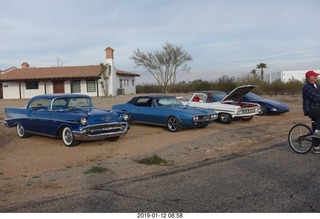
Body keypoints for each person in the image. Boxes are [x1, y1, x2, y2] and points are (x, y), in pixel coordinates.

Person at [302, 70, 320, 154]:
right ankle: (317, 133)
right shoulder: (306, 87)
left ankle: (316, 146)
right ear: (310, 78)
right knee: (317, 130)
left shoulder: (317, 85)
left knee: (317, 126)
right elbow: (315, 97)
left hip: (318, 108)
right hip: (310, 109)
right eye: (315, 76)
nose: (317, 77)